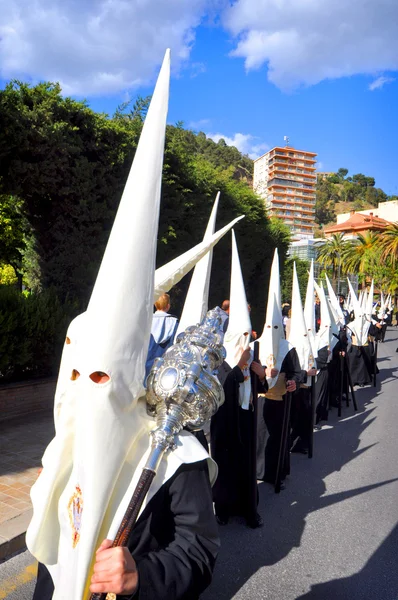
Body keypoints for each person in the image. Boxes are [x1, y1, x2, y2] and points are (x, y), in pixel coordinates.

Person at [28, 52, 222, 600]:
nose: (87, 387)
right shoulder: (63, 444)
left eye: (101, 376)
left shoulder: (174, 452)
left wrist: (143, 575)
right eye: (77, 371)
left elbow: (200, 549)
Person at [145, 293, 178, 379]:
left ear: (155, 304)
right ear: (168, 306)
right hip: (163, 364)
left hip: (145, 360)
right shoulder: (174, 322)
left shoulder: (147, 319)